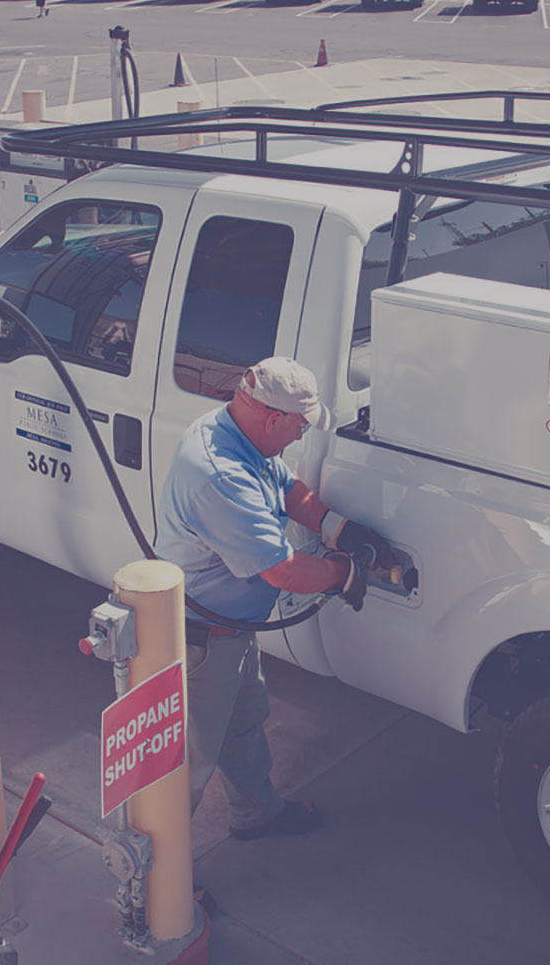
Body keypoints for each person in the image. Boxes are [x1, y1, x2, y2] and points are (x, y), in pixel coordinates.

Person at [155, 357, 398, 841]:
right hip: (198, 642)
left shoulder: (235, 433)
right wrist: (343, 574)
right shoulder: (219, 474)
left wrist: (339, 528)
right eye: (300, 426)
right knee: (181, 770)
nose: (300, 436)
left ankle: (256, 813)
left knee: (243, 726)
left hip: (231, 630)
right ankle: (158, 891)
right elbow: (283, 569)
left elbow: (285, 486)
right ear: (273, 418)